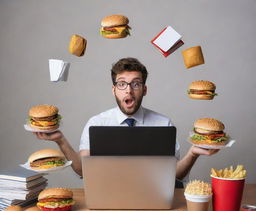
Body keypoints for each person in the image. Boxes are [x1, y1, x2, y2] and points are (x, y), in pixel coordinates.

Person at [34, 57, 219, 185]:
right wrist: (60, 140)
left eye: (136, 84)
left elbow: (176, 175)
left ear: (144, 90)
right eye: (122, 84)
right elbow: (83, 170)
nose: (129, 91)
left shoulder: (163, 124)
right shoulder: (97, 123)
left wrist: (193, 153)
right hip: (107, 197)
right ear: (114, 90)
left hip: (154, 199)